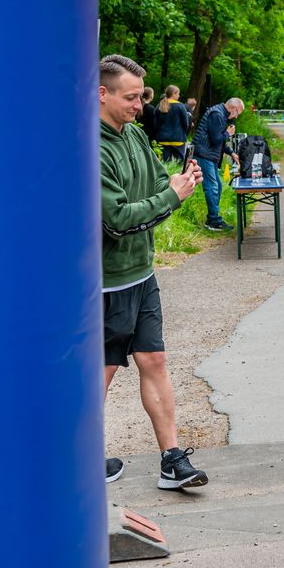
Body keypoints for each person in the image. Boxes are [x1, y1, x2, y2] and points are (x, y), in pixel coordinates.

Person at [98, 55, 209, 490]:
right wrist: (171, 197)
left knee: (155, 359)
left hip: (142, 274)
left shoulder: (135, 135)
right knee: (101, 373)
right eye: (130, 97)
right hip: (105, 283)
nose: (139, 105)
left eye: (140, 97)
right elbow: (117, 221)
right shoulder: (89, 147)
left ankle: (172, 459)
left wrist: (181, 183)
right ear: (101, 93)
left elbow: (158, 188)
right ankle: (78, 460)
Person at [192, 96, 243, 231]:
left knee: (218, 186)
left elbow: (218, 140)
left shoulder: (221, 114)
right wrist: (227, 133)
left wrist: (231, 153)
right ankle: (214, 221)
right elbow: (216, 139)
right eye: (238, 113)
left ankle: (212, 218)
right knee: (212, 187)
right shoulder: (217, 114)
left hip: (209, 155)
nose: (236, 117)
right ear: (233, 108)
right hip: (204, 154)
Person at [154, 85, 190, 164]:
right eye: (178, 94)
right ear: (174, 93)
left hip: (163, 139)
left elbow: (155, 124)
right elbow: (186, 123)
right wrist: (184, 134)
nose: (179, 96)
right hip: (178, 139)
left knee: (164, 164)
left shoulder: (159, 106)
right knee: (179, 164)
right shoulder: (180, 106)